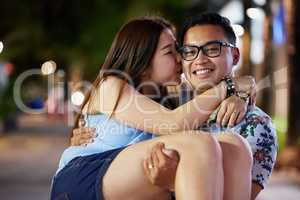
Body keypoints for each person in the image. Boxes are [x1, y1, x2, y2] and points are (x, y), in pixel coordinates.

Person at [72, 13, 278, 200]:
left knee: (235, 146)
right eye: (186, 51)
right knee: (200, 143)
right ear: (143, 59)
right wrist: (233, 86)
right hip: (89, 179)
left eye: (213, 49)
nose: (195, 59)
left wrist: (171, 184)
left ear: (234, 56)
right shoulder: (174, 105)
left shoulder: (255, 125)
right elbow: (173, 122)